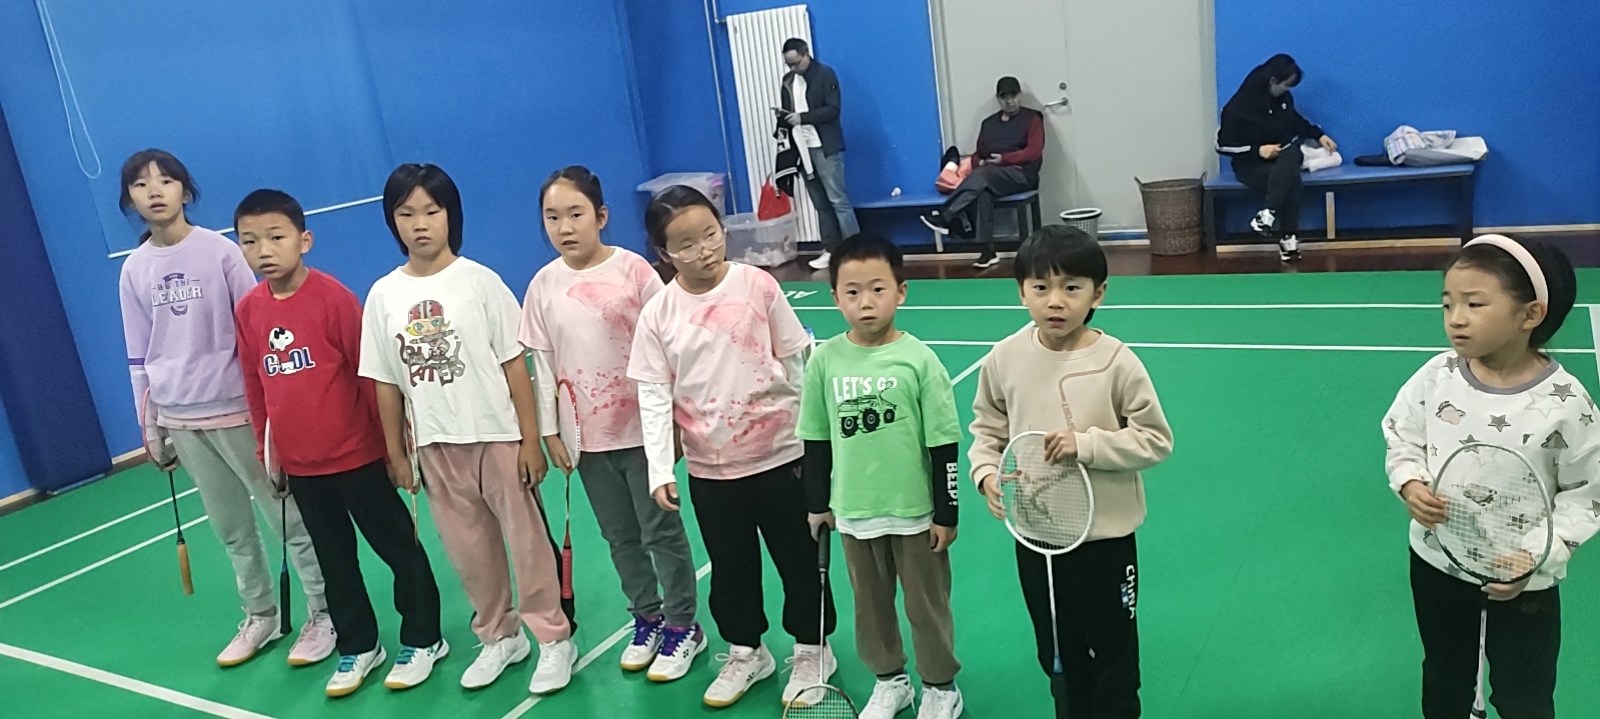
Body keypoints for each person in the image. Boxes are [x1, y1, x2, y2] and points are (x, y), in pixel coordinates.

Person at [357, 163, 577, 695]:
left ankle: (553, 638)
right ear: (392, 221)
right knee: (469, 552)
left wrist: (529, 440)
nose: (420, 223)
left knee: (527, 544)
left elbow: (514, 365)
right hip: (435, 445)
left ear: (450, 215)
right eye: (406, 213)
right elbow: (385, 381)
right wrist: (396, 453)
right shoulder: (383, 295)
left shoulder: (481, 282)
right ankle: (499, 635)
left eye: (431, 211)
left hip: (497, 437)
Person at [116, 150, 334, 668]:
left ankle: (324, 612)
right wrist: (151, 423)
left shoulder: (221, 252)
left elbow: (256, 328)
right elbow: (138, 352)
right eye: (141, 184)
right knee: (230, 527)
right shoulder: (134, 269)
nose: (155, 191)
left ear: (185, 191)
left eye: (166, 180)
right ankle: (261, 615)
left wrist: (271, 412)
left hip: (238, 411)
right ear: (130, 199)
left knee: (287, 518)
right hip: (180, 417)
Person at [628, 185, 837, 708]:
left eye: (710, 234)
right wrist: (660, 468)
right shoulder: (658, 314)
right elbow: (653, 396)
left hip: (783, 457)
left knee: (799, 560)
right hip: (711, 469)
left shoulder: (757, 285)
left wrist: (818, 444)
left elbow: (797, 363)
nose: (704, 250)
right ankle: (747, 652)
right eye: (686, 244)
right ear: (663, 252)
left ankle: (813, 649)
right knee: (731, 568)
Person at [232, 189, 446, 696]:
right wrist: (269, 452)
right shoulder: (249, 310)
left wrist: (394, 451)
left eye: (276, 237)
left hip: (359, 457)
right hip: (302, 467)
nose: (264, 250)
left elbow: (372, 378)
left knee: (399, 548)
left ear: (304, 240)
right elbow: (256, 385)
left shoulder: (336, 300)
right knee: (335, 561)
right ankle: (359, 645)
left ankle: (424, 637)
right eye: (250, 241)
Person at [1382, 235, 1600, 719]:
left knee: (1524, 697)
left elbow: (1588, 494)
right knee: (1444, 679)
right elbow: (1402, 433)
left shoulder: (1567, 404)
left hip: (1524, 581)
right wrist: (1410, 481)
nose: (1455, 318)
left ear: (1530, 314)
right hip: (1437, 563)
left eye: (1474, 304)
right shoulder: (1437, 376)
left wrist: (1538, 555)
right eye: (1448, 304)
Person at [968, 225, 1174, 719]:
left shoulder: (1118, 363)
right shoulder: (1004, 357)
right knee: (1058, 655)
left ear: (1098, 293)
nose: (1055, 301)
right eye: (1041, 287)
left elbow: (1155, 439)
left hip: (1105, 540)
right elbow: (987, 427)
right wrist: (986, 473)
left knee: (1114, 655)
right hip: (1037, 538)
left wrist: (1087, 445)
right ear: (1021, 292)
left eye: (1071, 287)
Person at [518, 166, 704, 682]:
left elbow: (668, 350)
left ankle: (683, 625)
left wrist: (672, 425)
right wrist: (550, 431)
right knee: (620, 536)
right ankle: (647, 617)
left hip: (643, 433)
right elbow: (543, 364)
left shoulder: (635, 272)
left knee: (660, 531)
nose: (564, 227)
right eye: (552, 217)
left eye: (575, 214)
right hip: (588, 441)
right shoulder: (543, 285)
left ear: (601, 216)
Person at [800, 234, 965, 719]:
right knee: (870, 608)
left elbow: (944, 444)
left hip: (915, 513)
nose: (865, 302)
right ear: (835, 298)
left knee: (927, 607)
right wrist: (817, 504)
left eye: (877, 289)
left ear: (901, 292)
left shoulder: (920, 361)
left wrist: (947, 512)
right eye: (852, 292)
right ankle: (891, 681)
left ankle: (940, 686)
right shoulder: (824, 360)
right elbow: (815, 439)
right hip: (855, 513)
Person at [1215, 53, 1338, 263]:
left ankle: (1267, 213)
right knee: (1291, 180)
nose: (1288, 90)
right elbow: (1222, 145)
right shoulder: (1236, 108)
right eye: (1286, 85)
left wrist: (1318, 135)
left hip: (1281, 158)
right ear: (1273, 80)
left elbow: (1294, 121)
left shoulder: (1283, 99)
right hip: (1250, 165)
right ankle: (1288, 239)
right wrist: (1258, 151)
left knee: (1294, 153)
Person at [921, 76, 1044, 270]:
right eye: (1004, 97)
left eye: (1013, 95)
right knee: (982, 190)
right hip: (991, 175)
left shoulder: (1032, 119)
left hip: (1022, 175)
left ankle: (946, 215)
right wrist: (980, 161)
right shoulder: (988, 123)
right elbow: (979, 152)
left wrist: (1004, 159)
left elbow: (1034, 152)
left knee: (983, 175)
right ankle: (987, 252)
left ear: (1020, 96)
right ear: (998, 99)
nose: (1009, 101)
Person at [779, 37, 860, 271]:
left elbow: (833, 110)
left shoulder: (825, 74)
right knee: (820, 203)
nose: (793, 68)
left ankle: (856, 251)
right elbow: (790, 112)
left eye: (796, 63)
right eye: (788, 64)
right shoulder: (787, 81)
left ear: (806, 54)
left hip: (824, 146)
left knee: (838, 200)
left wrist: (803, 118)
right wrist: (784, 120)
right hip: (801, 148)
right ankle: (831, 249)